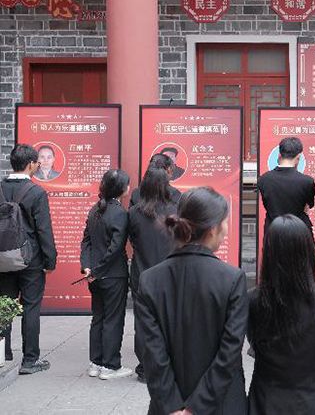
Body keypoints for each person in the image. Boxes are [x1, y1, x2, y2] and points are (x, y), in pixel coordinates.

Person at [135, 187, 247, 414]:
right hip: (220, 404)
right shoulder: (232, 279)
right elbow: (229, 353)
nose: (226, 229)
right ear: (213, 229)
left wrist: (173, 407)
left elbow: (152, 352)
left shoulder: (149, 280)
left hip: (166, 407)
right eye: (225, 223)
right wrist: (195, 408)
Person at [248, 215, 315, 414]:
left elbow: (254, 344)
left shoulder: (254, 300)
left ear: (268, 253)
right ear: (308, 251)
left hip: (266, 403)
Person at [0, 144, 57, 373]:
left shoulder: (0, 188)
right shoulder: (36, 192)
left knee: (4, 305)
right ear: (31, 164)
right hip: (30, 258)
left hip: (3, 256)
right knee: (31, 306)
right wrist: (50, 260)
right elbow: (44, 230)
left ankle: (2, 353)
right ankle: (30, 360)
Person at [80, 169, 132, 380]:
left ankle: (95, 363)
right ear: (122, 189)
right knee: (113, 319)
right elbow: (116, 248)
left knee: (98, 318)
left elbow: (86, 242)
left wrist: (87, 268)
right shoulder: (120, 213)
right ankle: (110, 366)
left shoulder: (95, 209)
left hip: (94, 275)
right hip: (113, 275)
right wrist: (98, 270)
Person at [128, 167, 178, 382]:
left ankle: (145, 367)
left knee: (142, 322)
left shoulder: (134, 212)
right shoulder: (175, 210)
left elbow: (132, 240)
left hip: (142, 272)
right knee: (169, 320)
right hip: (170, 274)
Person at [257, 137, 315, 250]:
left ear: (280, 155)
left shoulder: (263, 179)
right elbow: (308, 206)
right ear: (298, 157)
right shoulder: (307, 181)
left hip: (273, 232)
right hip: (299, 232)